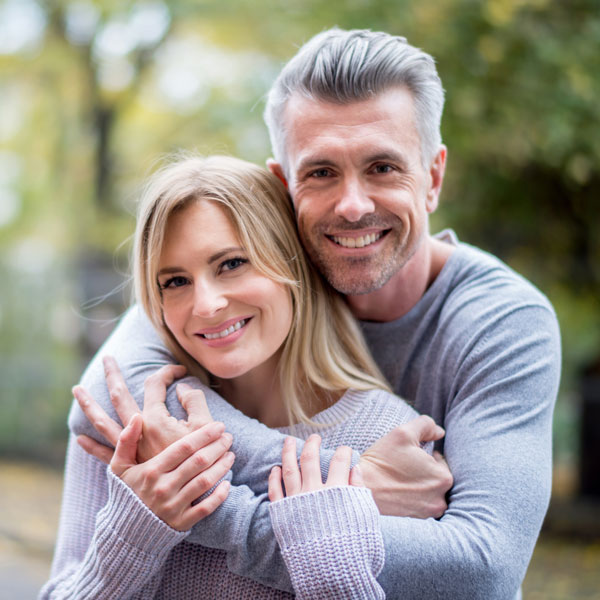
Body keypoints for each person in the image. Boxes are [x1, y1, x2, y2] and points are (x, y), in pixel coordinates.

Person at [66, 27, 559, 599]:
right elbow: (106, 402)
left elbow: (480, 572)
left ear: (433, 177)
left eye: (383, 167)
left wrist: (227, 511)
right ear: (284, 187)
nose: (352, 205)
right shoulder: (248, 270)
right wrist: (353, 483)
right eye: (321, 172)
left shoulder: (501, 323)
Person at [41, 155, 436, 599]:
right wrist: (135, 531)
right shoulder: (140, 430)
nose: (206, 305)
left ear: (291, 264)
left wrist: (326, 570)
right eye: (174, 282)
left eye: (231, 264)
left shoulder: (395, 448)